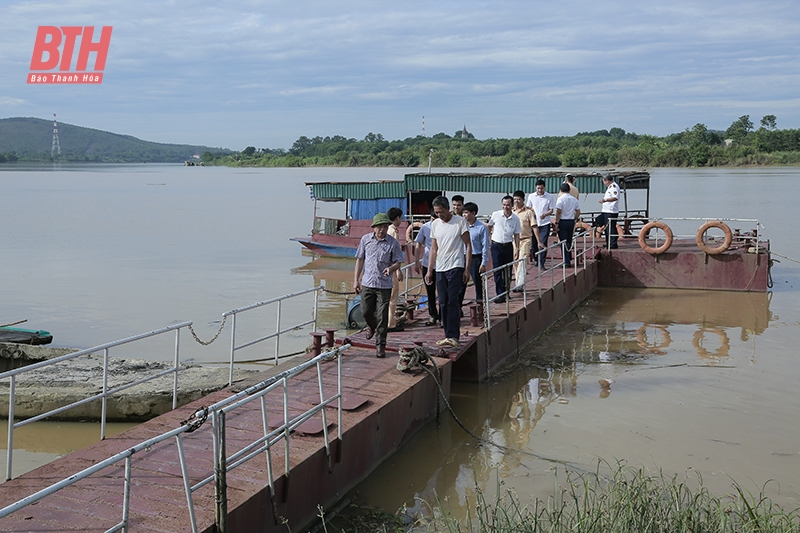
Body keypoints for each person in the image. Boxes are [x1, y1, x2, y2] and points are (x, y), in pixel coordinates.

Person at [353, 213, 405, 358]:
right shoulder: (365, 240)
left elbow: (398, 262)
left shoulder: (393, 243)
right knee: (365, 311)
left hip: (384, 285)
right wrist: (355, 280)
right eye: (379, 227)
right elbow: (360, 260)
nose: (381, 230)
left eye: (384, 227)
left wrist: (391, 269)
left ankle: (380, 345)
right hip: (368, 282)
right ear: (374, 227)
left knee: (383, 315)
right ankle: (371, 325)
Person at [425, 196, 471, 348]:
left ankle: (453, 335)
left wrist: (467, 269)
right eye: (437, 213)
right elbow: (433, 248)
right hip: (441, 267)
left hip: (456, 266)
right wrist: (430, 270)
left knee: (452, 301)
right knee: (443, 302)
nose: (439, 215)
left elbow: (468, 245)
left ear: (447, 209)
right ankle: (447, 334)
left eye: (441, 212)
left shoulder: (460, 222)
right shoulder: (435, 224)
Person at [487, 195, 521, 302]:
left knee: (507, 270)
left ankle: (506, 292)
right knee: (497, 270)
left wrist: (517, 249)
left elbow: (516, 235)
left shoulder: (515, 219)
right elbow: (489, 226)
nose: (506, 207)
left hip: (508, 246)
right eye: (504, 205)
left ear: (512, 206)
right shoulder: (496, 215)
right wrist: (489, 239)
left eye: (508, 205)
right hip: (496, 246)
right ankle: (499, 294)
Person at [413, 211, 440, 326]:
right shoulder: (425, 228)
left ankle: (443, 317)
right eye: (433, 219)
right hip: (427, 263)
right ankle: (433, 315)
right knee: (430, 291)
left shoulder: (444, 226)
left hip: (442, 264)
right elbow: (418, 243)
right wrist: (416, 261)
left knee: (443, 292)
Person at [461, 202, 489, 304]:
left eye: (466, 213)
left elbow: (485, 246)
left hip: (475, 258)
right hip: (462, 257)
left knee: (478, 283)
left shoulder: (481, 228)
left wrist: (483, 263)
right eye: (463, 213)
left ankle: (481, 307)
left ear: (473, 213)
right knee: (461, 283)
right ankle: (458, 307)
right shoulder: (462, 226)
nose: (464, 215)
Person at [525, 179, 554, 269]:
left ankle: (542, 262)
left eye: (541, 188)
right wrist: (532, 211)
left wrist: (545, 214)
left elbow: (551, 209)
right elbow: (528, 207)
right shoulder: (531, 196)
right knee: (534, 243)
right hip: (534, 223)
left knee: (543, 242)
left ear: (544, 187)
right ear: (536, 188)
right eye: (538, 188)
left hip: (545, 223)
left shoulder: (549, 197)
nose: (540, 190)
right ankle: (536, 259)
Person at [511, 190, 536, 292]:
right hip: (513, 241)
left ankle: (520, 284)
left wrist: (539, 241)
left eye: (519, 199)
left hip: (525, 239)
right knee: (515, 262)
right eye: (515, 199)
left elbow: (534, 226)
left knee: (522, 260)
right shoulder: (511, 212)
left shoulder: (529, 212)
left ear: (523, 200)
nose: (517, 201)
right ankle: (519, 282)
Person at [386, 207, 406, 332]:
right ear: (397, 218)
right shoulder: (393, 232)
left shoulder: (388, 230)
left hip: (387, 268)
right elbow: (394, 253)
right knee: (393, 297)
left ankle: (388, 321)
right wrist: (398, 270)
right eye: (401, 217)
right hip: (392, 268)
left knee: (387, 297)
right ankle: (390, 324)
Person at [554, 182, 581, 267]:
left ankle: (566, 262)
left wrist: (556, 223)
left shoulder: (561, 199)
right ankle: (568, 258)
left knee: (563, 242)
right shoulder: (574, 199)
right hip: (571, 221)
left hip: (563, 221)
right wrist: (574, 218)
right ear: (569, 190)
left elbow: (558, 211)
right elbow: (578, 212)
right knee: (569, 240)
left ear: (561, 190)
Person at [596, 174, 620, 249]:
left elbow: (615, 198)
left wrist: (605, 200)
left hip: (611, 211)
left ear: (607, 181)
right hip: (606, 211)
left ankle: (613, 243)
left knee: (611, 228)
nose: (603, 183)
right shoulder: (610, 187)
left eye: (603, 181)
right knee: (604, 226)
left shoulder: (614, 187)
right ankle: (608, 242)